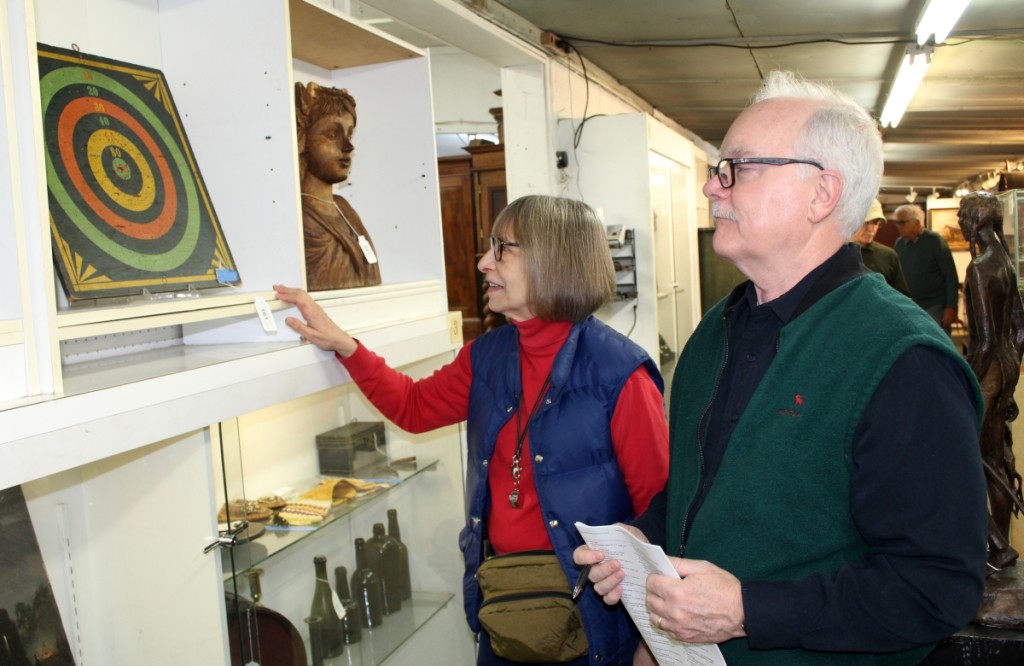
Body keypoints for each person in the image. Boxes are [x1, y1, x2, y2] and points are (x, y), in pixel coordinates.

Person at [574, 70, 987, 665]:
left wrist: (749, 609)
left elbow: (936, 587)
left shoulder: (903, 360)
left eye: (737, 168)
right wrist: (644, 543)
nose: (713, 189)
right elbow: (705, 490)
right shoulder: (716, 330)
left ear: (822, 193)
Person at [275, 194, 669, 666]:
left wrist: (654, 639)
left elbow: (659, 511)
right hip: (504, 606)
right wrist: (344, 345)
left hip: (595, 619)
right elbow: (415, 406)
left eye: (503, 249)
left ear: (555, 259)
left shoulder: (620, 374)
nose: (484, 263)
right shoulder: (488, 355)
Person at [957, 190, 1024, 571]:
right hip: (1007, 368)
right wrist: (1010, 372)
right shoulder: (1005, 261)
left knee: (963, 460)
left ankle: (997, 547)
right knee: (996, 459)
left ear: (972, 222)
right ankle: (1001, 546)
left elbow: (982, 342)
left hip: (988, 375)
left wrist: (967, 381)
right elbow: (1019, 331)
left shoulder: (980, 267)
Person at [295, 82, 382, 291]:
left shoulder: (344, 208)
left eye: (349, 134)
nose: (348, 146)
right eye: (332, 135)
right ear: (303, 139)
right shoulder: (299, 214)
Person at [893, 203, 959, 332]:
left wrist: (951, 307)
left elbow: (950, 276)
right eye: (897, 222)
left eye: (903, 222)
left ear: (917, 223)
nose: (899, 226)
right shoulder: (899, 244)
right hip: (909, 307)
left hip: (935, 307)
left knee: (937, 346)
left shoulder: (934, 241)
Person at [852, 199, 910, 295]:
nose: (871, 229)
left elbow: (902, 294)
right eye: (866, 222)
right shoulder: (834, 252)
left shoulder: (888, 255)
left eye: (875, 223)